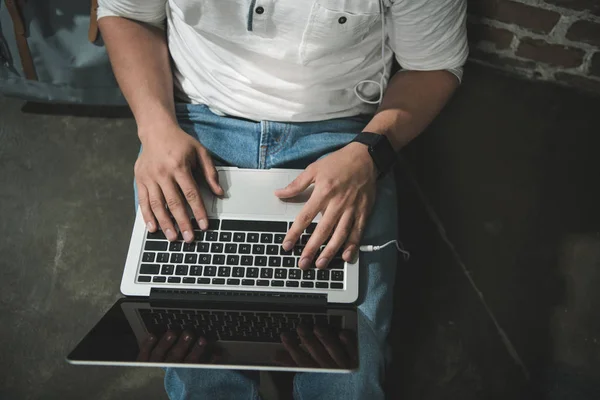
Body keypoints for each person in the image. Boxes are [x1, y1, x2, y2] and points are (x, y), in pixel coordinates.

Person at [97, 0, 467, 398]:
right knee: (197, 367)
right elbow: (127, 14)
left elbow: (432, 66)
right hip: (194, 124)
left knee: (348, 372)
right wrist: (155, 129)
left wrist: (369, 153)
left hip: (343, 139)